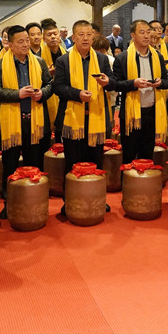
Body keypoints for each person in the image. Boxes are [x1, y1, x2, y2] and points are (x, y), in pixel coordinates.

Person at [0, 25, 52, 218]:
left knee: (34, 164)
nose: (26, 44)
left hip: (35, 122)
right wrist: (18, 94)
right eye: (21, 41)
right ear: (10, 43)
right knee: (10, 166)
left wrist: (42, 93)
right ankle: (10, 204)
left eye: (27, 40)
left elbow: (50, 84)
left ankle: (34, 202)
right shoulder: (0, 65)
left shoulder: (39, 62)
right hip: (11, 124)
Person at [52, 20, 115, 211]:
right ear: (74, 38)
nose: (85, 38)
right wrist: (77, 94)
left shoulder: (102, 59)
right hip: (72, 119)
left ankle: (96, 200)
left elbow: (112, 82)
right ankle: (71, 202)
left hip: (97, 117)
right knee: (73, 162)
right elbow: (58, 87)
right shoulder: (63, 60)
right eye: (81, 35)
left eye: (89, 34)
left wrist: (107, 82)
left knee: (96, 161)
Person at [111, 20, 168, 163]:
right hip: (131, 114)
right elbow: (115, 84)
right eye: (142, 32)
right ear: (133, 35)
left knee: (147, 155)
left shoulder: (157, 56)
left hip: (152, 111)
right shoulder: (122, 58)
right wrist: (133, 83)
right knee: (129, 156)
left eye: (148, 32)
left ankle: (145, 177)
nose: (146, 36)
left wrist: (160, 82)